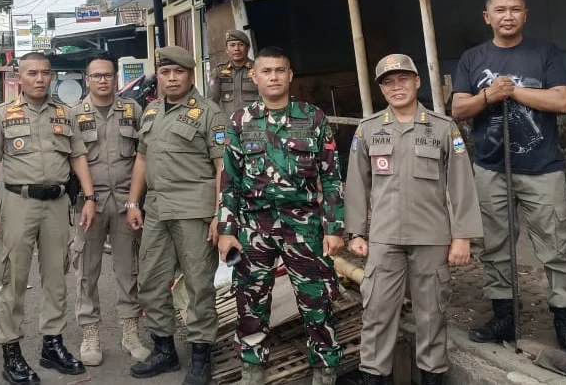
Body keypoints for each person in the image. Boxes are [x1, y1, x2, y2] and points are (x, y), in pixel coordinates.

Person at [451, 0, 566, 361]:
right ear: (488, 17)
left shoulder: (544, 52)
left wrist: (511, 93)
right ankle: (504, 319)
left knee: (556, 246)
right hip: (489, 167)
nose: (508, 16)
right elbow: (459, 109)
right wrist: (487, 98)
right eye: (500, 10)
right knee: (496, 246)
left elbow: (561, 100)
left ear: (525, 14)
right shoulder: (471, 58)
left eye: (515, 9)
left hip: (541, 167)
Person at [348, 54, 483, 385]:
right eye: (389, 82)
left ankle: (432, 376)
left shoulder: (442, 127)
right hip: (383, 238)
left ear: (417, 81)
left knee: (431, 314)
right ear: (381, 89)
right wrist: (355, 233)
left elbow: (461, 183)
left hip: (432, 237)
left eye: (403, 79)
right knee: (377, 314)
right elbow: (356, 184)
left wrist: (462, 236)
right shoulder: (368, 130)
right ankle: (375, 377)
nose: (397, 87)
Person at [218, 46, 346, 385]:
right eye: (267, 71)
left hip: (303, 225)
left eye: (280, 70)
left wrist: (334, 228)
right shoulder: (240, 121)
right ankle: (252, 364)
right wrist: (226, 230)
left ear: (290, 76)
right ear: (255, 76)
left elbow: (331, 176)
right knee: (250, 297)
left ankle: (324, 365)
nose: (273, 77)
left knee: (316, 296)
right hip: (254, 226)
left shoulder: (313, 118)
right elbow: (228, 180)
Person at [0, 52, 99, 385]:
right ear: (19, 77)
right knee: (14, 278)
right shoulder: (1, 115)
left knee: (56, 277)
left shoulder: (64, 113)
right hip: (19, 202)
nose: (40, 79)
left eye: (45, 73)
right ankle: (11, 352)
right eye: (32, 73)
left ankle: (52, 344)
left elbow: (78, 157)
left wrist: (89, 198)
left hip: (58, 204)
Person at [126, 46, 227, 385]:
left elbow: (222, 166)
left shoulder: (209, 112)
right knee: (151, 282)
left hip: (195, 212)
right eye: (165, 72)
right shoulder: (151, 111)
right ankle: (165, 350)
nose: (171, 78)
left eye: (178, 72)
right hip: (155, 210)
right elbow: (142, 158)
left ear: (190, 75)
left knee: (199, 286)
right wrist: (133, 203)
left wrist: (220, 214)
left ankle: (201, 356)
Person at [69, 54, 152, 366]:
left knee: (128, 269)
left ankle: (130, 332)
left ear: (116, 78)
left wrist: (135, 202)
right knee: (86, 271)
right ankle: (90, 334)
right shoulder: (74, 114)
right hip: (88, 205)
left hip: (125, 203)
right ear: (87, 80)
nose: (103, 80)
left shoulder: (133, 110)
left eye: (108, 75)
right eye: (96, 76)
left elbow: (142, 157)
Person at [208, 29, 259, 116]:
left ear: (248, 48)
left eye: (241, 45)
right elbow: (212, 101)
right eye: (232, 45)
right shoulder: (218, 71)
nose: (236, 49)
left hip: (254, 124)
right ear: (227, 49)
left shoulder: (259, 69)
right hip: (228, 125)